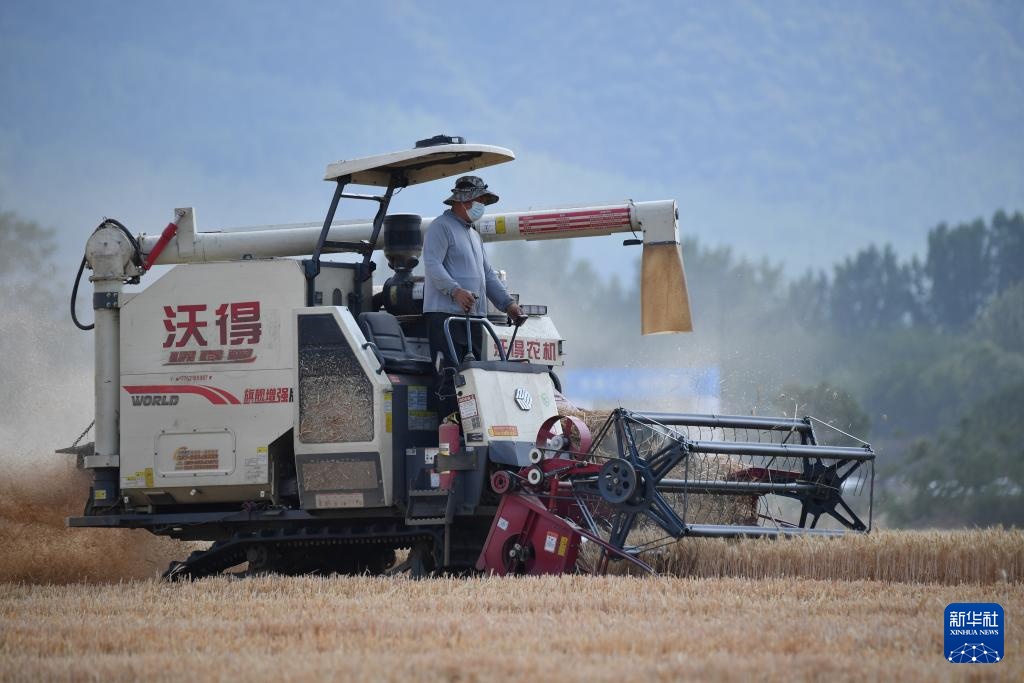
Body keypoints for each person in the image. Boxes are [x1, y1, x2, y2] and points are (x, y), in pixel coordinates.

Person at [423, 176, 525, 400]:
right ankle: (448, 431)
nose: (482, 206)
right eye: (479, 200)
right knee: (450, 379)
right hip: (445, 318)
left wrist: (508, 304)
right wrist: (455, 290)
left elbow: (487, 275)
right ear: (462, 201)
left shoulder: (474, 235)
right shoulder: (441, 228)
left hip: (474, 319)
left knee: (474, 381)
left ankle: (469, 433)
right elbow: (432, 264)